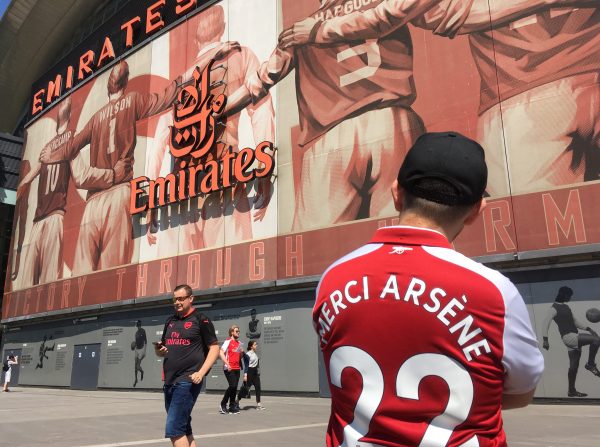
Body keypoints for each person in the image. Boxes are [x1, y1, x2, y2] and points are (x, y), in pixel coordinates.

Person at [313, 131, 544, 447]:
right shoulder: (494, 293)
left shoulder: (332, 278)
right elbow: (521, 393)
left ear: (396, 193)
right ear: (477, 210)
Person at [279, 0, 599, 197]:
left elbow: (433, 14)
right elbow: (432, 14)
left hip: (524, 104)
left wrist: (322, 30)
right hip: (526, 105)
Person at [224, 0, 425, 231]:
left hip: (333, 139)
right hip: (395, 123)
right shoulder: (384, 5)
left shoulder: (299, 30)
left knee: (316, 245)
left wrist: (218, 109)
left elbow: (261, 80)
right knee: (407, 235)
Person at [146, 4, 275, 255]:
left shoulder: (182, 81)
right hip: (224, 172)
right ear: (223, 29)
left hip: (180, 186)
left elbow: (162, 131)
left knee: (178, 280)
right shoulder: (242, 55)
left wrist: (152, 201)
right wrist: (264, 167)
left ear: (195, 39)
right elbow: (261, 109)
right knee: (233, 272)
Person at [40, 59, 180, 275]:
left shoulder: (96, 118)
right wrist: (186, 78)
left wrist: (49, 156)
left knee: (82, 278)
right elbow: (166, 98)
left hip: (93, 203)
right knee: (112, 276)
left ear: (109, 86)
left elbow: (70, 148)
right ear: (126, 82)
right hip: (119, 194)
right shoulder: (132, 100)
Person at [11, 96, 128, 288]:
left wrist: (112, 175)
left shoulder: (69, 140)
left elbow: (80, 177)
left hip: (54, 215)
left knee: (47, 283)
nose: (64, 101)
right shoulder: (48, 147)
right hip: (39, 220)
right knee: (28, 287)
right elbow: (27, 180)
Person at [154, 284, 219, 447]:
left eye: (181, 298)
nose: (177, 302)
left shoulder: (201, 319)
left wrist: (201, 372)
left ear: (191, 299)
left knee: (174, 428)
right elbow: (163, 352)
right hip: (169, 381)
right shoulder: (170, 321)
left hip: (188, 380)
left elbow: (214, 348)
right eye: (175, 299)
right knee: (183, 427)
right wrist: (159, 350)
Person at [542, 286, 600, 397]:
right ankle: (590, 364)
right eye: (569, 296)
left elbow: (575, 322)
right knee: (596, 340)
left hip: (574, 335)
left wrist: (589, 329)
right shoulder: (553, 308)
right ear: (564, 295)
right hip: (569, 337)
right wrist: (545, 340)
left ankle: (571, 391)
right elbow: (546, 323)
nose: (570, 298)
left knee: (573, 367)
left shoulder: (566, 307)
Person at [219, 324, 244, 414]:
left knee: (234, 388)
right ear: (232, 332)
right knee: (232, 386)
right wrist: (227, 363)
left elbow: (238, 357)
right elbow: (221, 352)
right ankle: (223, 404)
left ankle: (232, 406)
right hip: (229, 368)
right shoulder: (228, 341)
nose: (238, 332)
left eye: (238, 331)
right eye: (236, 331)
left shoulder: (238, 343)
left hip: (237, 368)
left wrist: (241, 353)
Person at [236, 340, 265, 410]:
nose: (256, 346)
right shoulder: (248, 354)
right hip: (249, 372)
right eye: (255, 345)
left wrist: (258, 372)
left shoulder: (255, 354)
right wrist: (245, 375)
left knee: (258, 387)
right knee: (245, 389)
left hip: (255, 373)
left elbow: (257, 364)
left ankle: (258, 404)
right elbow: (246, 365)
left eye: (256, 344)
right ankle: (236, 401)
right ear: (251, 346)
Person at [132, 320, 147, 387]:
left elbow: (146, 340)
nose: (138, 326)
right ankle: (136, 379)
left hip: (141, 349)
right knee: (135, 366)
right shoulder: (136, 333)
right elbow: (136, 341)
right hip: (136, 350)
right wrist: (134, 345)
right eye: (138, 325)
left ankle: (142, 372)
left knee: (138, 366)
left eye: (139, 324)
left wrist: (144, 350)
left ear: (140, 325)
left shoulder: (143, 331)